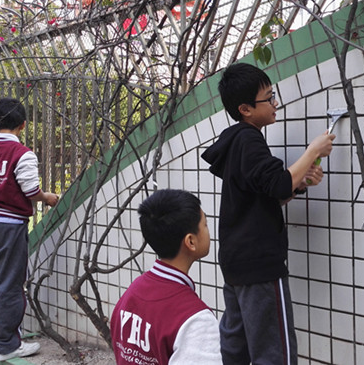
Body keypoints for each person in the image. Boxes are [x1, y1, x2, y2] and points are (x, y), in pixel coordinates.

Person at [201, 63, 334, 364]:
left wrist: (300, 185)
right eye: (269, 98)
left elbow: (263, 195)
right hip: (260, 264)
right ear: (246, 109)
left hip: (236, 262)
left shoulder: (236, 142)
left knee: (236, 347)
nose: (276, 103)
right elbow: (278, 183)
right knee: (275, 353)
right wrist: (313, 150)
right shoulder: (249, 141)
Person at [0, 97, 59, 361]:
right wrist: (48, 197)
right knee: (9, 285)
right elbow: (31, 191)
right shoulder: (23, 154)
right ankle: (6, 344)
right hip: (10, 227)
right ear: (23, 125)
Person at [110, 189, 221, 364]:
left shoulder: (133, 291)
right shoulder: (197, 320)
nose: (208, 231)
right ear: (190, 241)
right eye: (205, 225)